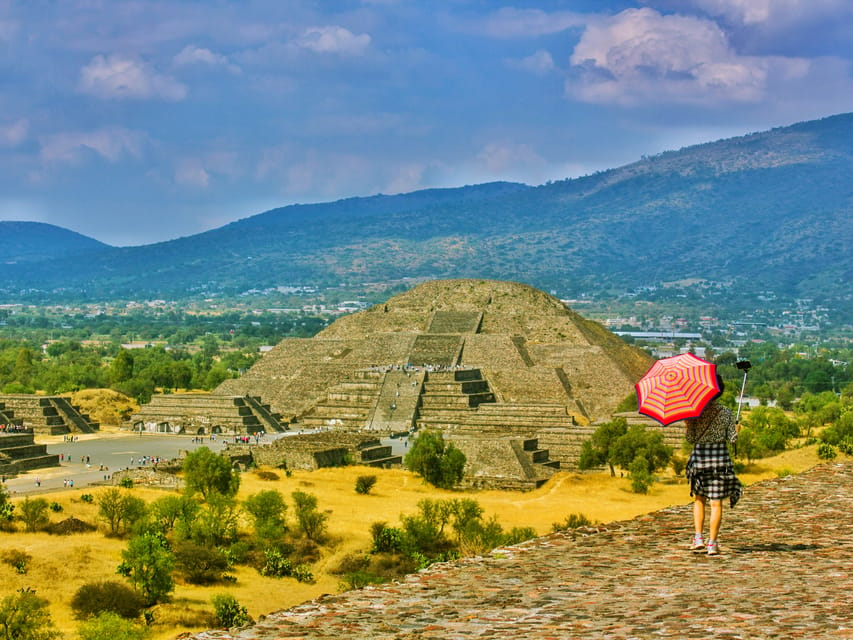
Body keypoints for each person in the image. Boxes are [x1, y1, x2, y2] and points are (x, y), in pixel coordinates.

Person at [684, 382, 742, 556]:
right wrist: (737, 430)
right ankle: (712, 544)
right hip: (719, 462)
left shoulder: (695, 413)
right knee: (716, 504)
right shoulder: (726, 413)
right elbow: (732, 439)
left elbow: (691, 439)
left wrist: (688, 426)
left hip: (700, 461)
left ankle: (698, 538)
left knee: (699, 500)